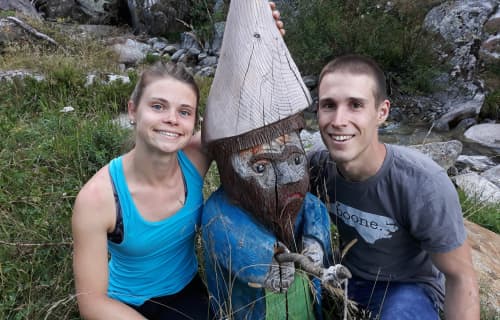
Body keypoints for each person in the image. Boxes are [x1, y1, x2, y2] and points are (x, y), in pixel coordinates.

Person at [308, 54, 480, 319]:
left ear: (382, 112)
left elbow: (461, 277)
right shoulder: (317, 164)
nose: (339, 120)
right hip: (343, 271)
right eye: (328, 105)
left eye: (355, 105)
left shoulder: (422, 184)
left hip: (407, 288)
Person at [72, 61, 211, 319]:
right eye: (158, 106)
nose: (171, 119)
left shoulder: (196, 156)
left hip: (187, 291)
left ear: (194, 121)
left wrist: (262, 38)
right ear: (133, 111)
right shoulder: (98, 199)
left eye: (184, 112)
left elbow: (245, 115)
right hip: (124, 305)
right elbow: (91, 303)